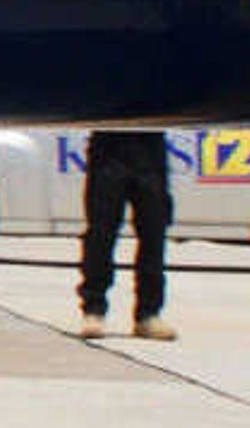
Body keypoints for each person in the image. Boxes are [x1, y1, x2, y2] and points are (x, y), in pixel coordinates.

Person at [74, 127, 176, 341]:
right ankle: (93, 309)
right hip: (109, 143)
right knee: (101, 232)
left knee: (153, 232)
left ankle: (148, 314)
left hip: (150, 145)